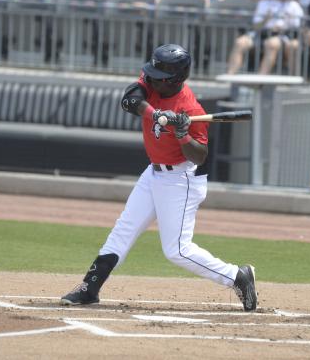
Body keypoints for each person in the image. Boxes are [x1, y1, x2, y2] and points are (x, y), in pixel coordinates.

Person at [60, 43, 258, 312]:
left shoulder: (190, 108)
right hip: (153, 172)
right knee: (123, 230)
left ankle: (237, 276)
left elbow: (199, 156)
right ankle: (90, 287)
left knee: (176, 250)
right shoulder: (152, 83)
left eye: (159, 77)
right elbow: (129, 99)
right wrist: (156, 113)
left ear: (176, 79)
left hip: (181, 179)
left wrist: (182, 133)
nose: (152, 80)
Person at [226, 0, 304, 75]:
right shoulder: (264, 3)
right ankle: (230, 75)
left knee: (272, 44)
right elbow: (256, 26)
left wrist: (285, 24)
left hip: (283, 36)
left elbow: (298, 26)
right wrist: (266, 19)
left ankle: (261, 78)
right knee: (240, 42)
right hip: (261, 34)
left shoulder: (294, 6)